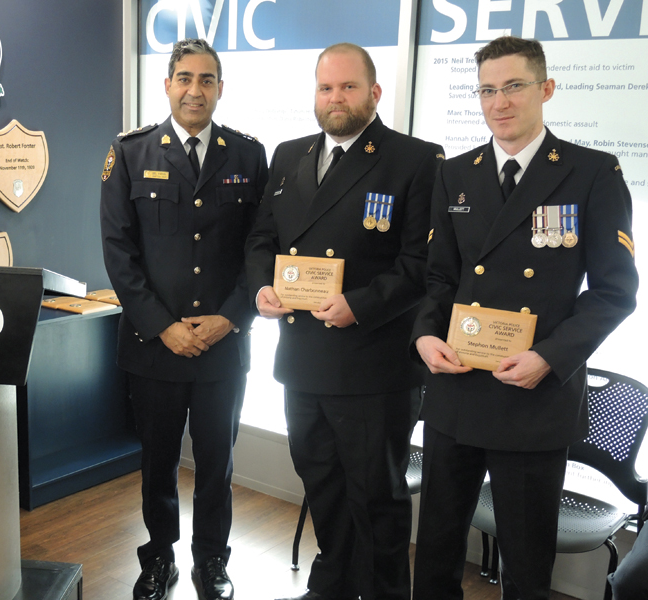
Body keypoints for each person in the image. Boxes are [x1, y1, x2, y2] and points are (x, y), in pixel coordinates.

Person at [411, 36, 638, 600]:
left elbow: (615, 291)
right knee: (436, 550)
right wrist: (423, 335)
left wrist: (550, 357)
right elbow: (439, 279)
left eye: (514, 86)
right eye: (488, 89)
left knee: (527, 565)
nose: (499, 102)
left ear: (546, 89)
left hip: (533, 396)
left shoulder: (590, 173)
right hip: (455, 390)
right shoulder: (455, 174)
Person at [244, 43, 443, 600]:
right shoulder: (288, 155)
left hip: (372, 364)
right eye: (326, 88)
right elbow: (262, 238)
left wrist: (362, 303)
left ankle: (381, 593)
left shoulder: (416, 159)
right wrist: (262, 285)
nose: (336, 98)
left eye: (348, 87)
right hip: (302, 359)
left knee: (376, 496)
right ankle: (332, 582)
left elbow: (422, 265)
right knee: (322, 482)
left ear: (374, 93)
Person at [100, 38, 268, 600]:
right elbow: (118, 254)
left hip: (224, 346)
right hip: (154, 346)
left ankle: (212, 561)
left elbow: (259, 251)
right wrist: (163, 325)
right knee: (159, 462)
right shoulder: (130, 153)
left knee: (218, 463)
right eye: (185, 78)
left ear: (220, 87)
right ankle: (159, 560)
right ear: (167, 84)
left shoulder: (248, 155)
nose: (195, 89)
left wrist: (231, 318)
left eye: (207, 79)